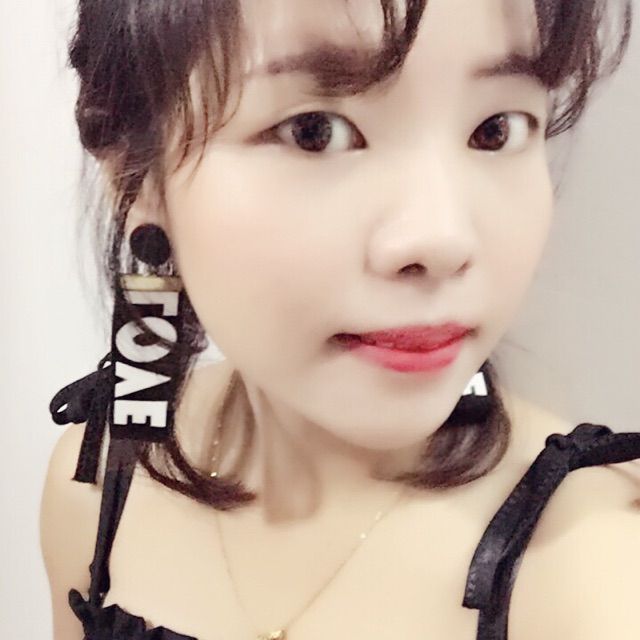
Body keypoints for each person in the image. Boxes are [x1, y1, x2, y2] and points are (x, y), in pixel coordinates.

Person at [40, 1, 640, 639]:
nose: (442, 239)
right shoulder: (99, 488)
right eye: (315, 132)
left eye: (495, 129)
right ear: (139, 180)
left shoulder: (597, 576)